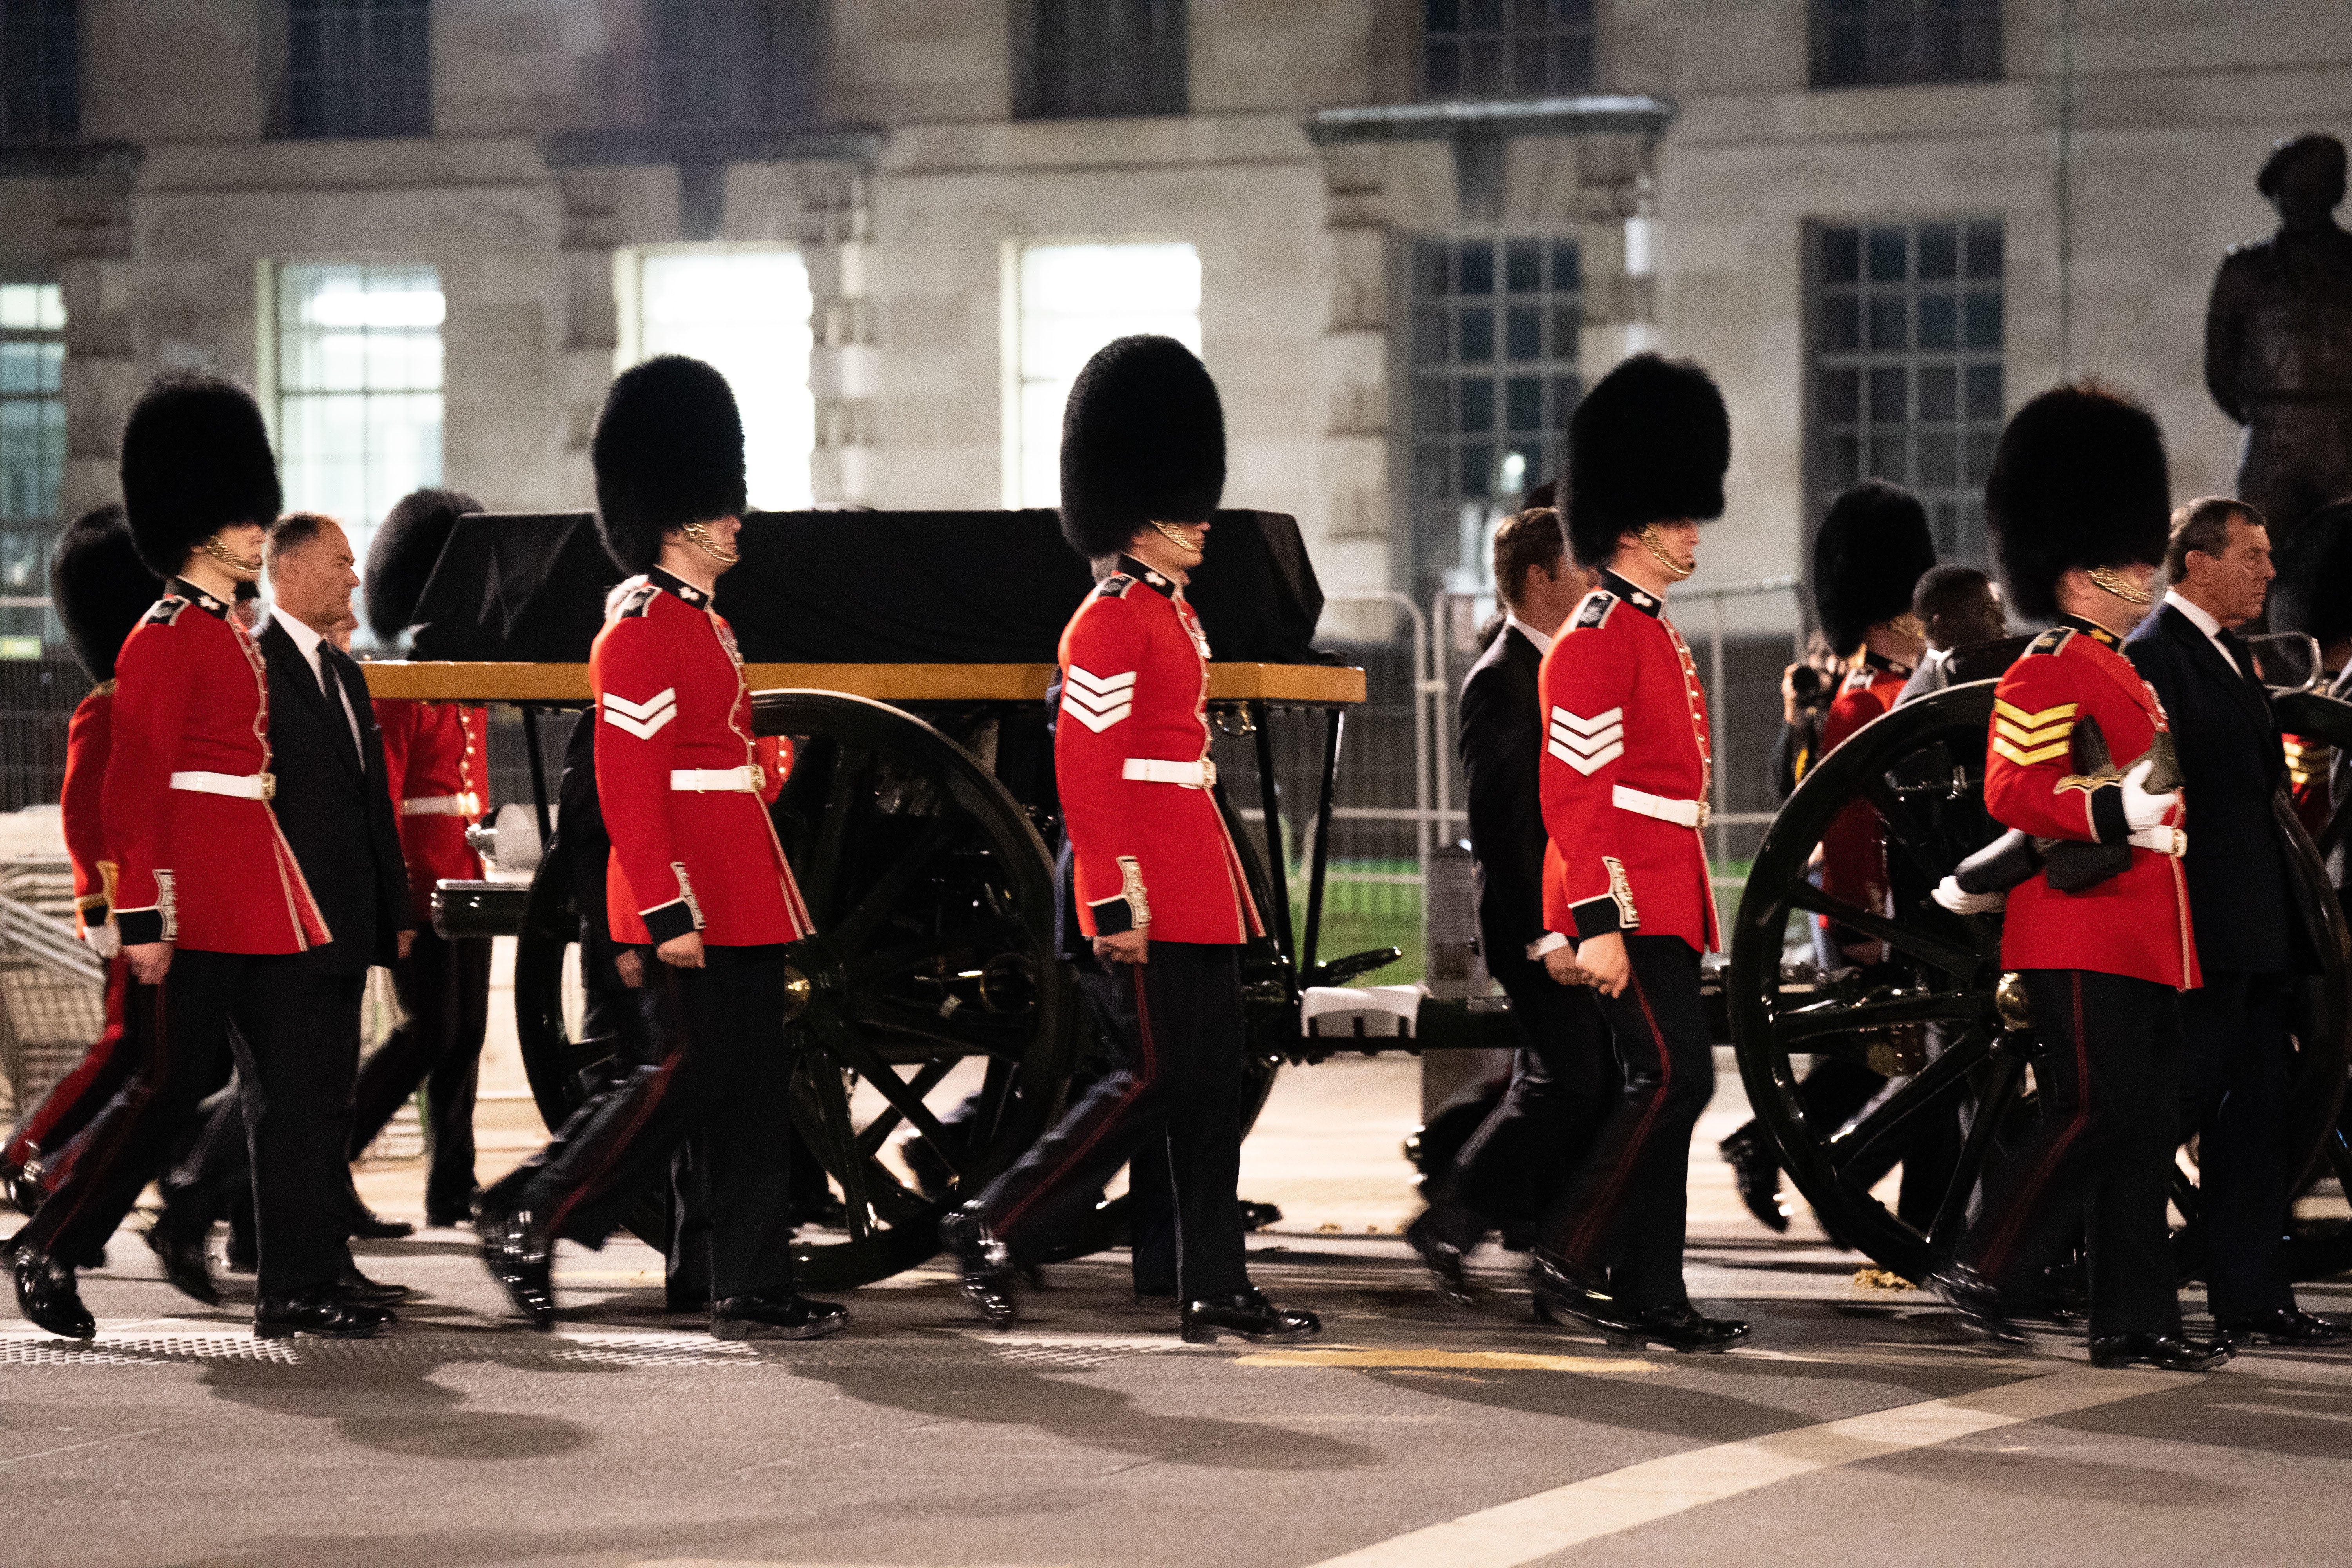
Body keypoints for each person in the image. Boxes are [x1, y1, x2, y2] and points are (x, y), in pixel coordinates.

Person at [940, 334, 1320, 1346]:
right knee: (1151, 1078)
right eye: (1181, 503)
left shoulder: (1171, 615)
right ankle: (996, 1223)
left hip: (1189, 880)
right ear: (1135, 513)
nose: (1203, 518)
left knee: (1204, 1088)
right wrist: (1117, 902)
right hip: (1141, 885)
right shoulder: (1109, 622)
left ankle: (1215, 1287)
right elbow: (1091, 775)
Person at [10, 373, 395, 1341]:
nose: (258, 533)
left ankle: (300, 1281)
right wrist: (141, 913)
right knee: (168, 1084)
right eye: (241, 519)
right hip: (193, 895)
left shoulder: (231, 634)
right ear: (197, 530)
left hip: (259, 886)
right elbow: (134, 788)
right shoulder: (166, 637)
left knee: (297, 1087)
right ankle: (51, 1242)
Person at [477, 354, 844, 1342]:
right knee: (681, 1078)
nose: (736, 522)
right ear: (679, 516)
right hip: (689, 893)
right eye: (720, 509)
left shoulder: (705, 626)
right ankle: (534, 1207)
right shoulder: (637, 628)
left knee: (749, 1084)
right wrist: (666, 908)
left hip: (740, 884)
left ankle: (751, 1278)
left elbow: (717, 765)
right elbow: (631, 789)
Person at [1927, 382, 2231, 1373]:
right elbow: (2017, 789)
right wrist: (2113, 809)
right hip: (2076, 929)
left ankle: (2134, 1318)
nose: (2147, 569)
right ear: (2082, 569)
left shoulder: (2124, 668)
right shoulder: (2047, 664)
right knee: (2093, 1110)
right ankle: (1987, 1262)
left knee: (2140, 1129)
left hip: (2142, 930)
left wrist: (2146, 810)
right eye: (2132, 558)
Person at [1524, 351, 1748, 1352]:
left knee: (1665, 1086)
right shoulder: (1598, 635)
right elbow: (1575, 797)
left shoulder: (1651, 630)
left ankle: (1656, 1292)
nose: (1694, 530)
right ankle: (1568, 1247)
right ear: (1632, 523)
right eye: (1679, 513)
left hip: (1669, 890)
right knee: (1673, 1080)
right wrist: (1596, 921)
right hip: (1628, 896)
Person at [149, 510, 417, 1310]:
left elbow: (372, 807)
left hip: (343, 916)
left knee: (326, 1097)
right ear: (289, 572)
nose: (355, 576)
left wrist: (392, 909)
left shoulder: (346, 673)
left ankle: (320, 1262)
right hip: (282, 914)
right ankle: (280, 1269)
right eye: (341, 561)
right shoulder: (253, 662)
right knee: (291, 1096)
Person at [2125, 497, 2349, 1347]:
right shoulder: (2156, 654)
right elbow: (2156, 800)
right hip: (2200, 932)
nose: (2269, 571)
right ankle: (2084, 1275)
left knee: (2252, 1124)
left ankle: (2252, 1297)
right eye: (2250, 555)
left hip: (2252, 931)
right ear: (2195, 564)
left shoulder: (2223, 653)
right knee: (2160, 1114)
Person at [1405, 495, 1617, 1301]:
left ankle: (1536, 1233)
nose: (1596, 578)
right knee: (1572, 1080)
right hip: (1535, 921)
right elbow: (1506, 826)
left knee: (1569, 1077)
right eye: (1582, 565)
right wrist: (1544, 935)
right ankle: (1453, 1219)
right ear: (1538, 576)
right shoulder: (1503, 679)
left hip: (1571, 913)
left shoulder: (1554, 668)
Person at [1721, 481, 1936, 1234]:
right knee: (1874, 1055)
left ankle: (1788, 1154)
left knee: (1875, 1060)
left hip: (1913, 903)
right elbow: (1839, 822)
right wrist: (1866, 923)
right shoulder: (1860, 700)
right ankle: (1832, 1175)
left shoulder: (1902, 686)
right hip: (1876, 905)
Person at [1, 508, 154, 1226]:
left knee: (148, 1060)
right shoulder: (107, 711)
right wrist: (101, 911)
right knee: (125, 1051)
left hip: (162, 905)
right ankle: (25, 1151)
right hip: (131, 913)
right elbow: (83, 824)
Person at [349, 487, 495, 1229]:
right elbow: (392, 801)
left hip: (468, 872)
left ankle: (452, 1184)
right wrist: (399, 900)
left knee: (465, 1033)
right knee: (428, 1032)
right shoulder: (401, 685)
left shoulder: (463, 678)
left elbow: (470, 787)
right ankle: (326, 1155)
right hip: (426, 879)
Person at [2203, 133, 2352, 545]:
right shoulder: (2243, 271)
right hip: (2272, 439)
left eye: (2312, 189)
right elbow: (2220, 368)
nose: (2299, 200)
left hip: (2343, 431)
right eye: (2290, 191)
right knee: (2259, 565)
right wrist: (2265, 418)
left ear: (2336, 192)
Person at [1896, 566, 2009, 703]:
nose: (2001, 619)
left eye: (1996, 607)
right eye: (1986, 610)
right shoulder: (1921, 701)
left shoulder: (1950, 680)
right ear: (1945, 626)